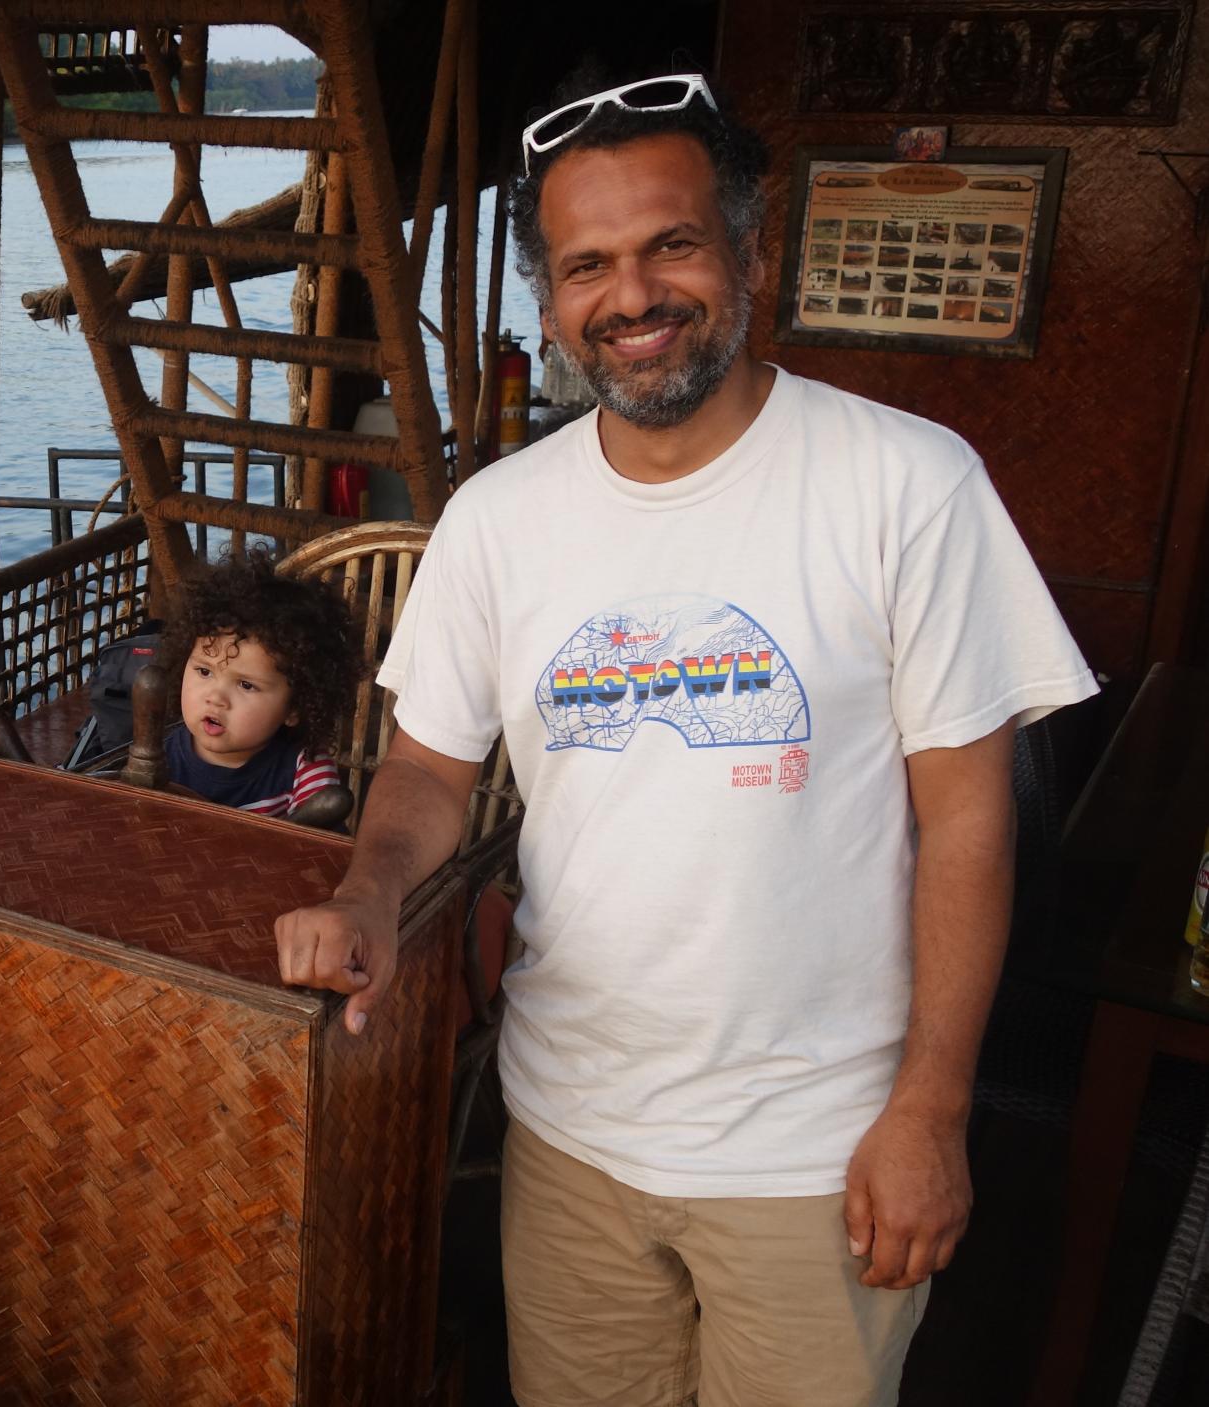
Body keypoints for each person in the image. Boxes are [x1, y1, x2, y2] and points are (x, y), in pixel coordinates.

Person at [272, 72, 1095, 1405]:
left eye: (672, 245)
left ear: (750, 253)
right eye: (589, 265)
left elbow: (970, 812)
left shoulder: (907, 481)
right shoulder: (499, 516)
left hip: (818, 1154)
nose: (634, 295)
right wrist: (368, 883)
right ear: (550, 305)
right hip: (569, 1133)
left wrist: (934, 1110)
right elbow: (430, 768)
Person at [156, 546, 353, 819]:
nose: (215, 697)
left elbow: (317, 851)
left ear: (295, 707)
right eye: (204, 671)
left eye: (246, 685)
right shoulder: (156, 755)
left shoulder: (306, 774)